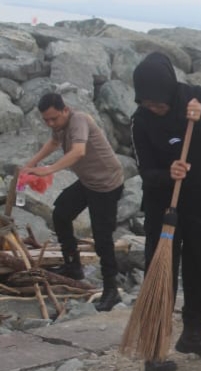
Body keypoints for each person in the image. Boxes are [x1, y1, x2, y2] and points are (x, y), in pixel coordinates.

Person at [131, 52, 201, 371]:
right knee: (160, 271)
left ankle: (193, 334)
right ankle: (154, 349)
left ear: (169, 90)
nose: (153, 108)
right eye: (146, 103)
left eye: (157, 103)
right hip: (163, 206)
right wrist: (168, 173)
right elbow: (145, 170)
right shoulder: (140, 120)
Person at [21, 93, 124, 313]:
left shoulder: (79, 120)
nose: (51, 123)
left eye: (54, 118)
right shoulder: (60, 125)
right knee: (61, 213)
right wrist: (30, 164)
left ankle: (111, 290)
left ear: (65, 110)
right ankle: (73, 265)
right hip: (88, 181)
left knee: (102, 237)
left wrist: (48, 169)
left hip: (106, 184)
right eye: (46, 120)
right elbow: (53, 142)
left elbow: (78, 151)